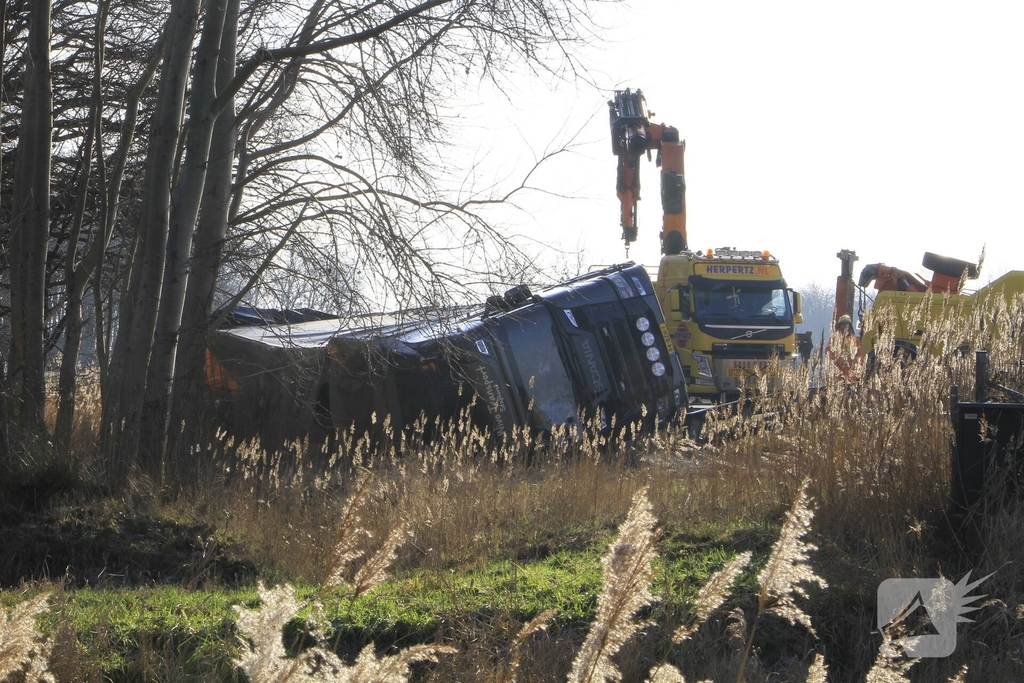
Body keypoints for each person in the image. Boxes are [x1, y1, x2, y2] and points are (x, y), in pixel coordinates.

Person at [826, 314, 862, 382]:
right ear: (839, 326)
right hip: (838, 372)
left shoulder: (854, 339)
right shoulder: (834, 338)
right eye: (843, 324)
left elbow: (859, 356)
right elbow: (829, 353)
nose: (845, 326)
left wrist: (859, 371)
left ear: (850, 326)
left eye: (847, 324)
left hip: (852, 374)